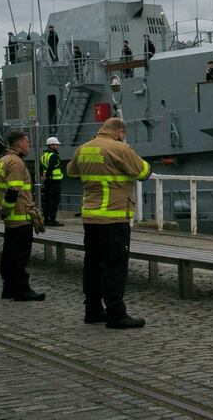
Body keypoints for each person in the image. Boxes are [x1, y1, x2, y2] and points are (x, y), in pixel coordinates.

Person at [66, 118, 151, 329]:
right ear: (120, 131)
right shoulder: (119, 148)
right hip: (113, 217)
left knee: (92, 266)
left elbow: (71, 172)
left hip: (90, 217)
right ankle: (116, 314)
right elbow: (143, 172)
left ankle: (92, 310)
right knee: (114, 267)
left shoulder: (83, 148)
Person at [0, 131, 46, 301]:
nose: (29, 145)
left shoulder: (1, 161)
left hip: (9, 218)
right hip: (20, 216)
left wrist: (1, 210)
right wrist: (7, 210)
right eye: (27, 142)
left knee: (8, 252)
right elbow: (13, 191)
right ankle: (21, 289)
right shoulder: (16, 163)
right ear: (19, 144)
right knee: (20, 255)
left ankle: (8, 288)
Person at [41, 136, 64, 226]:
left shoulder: (44, 155)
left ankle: (46, 219)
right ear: (51, 145)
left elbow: (41, 167)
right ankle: (53, 220)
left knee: (47, 200)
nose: (57, 146)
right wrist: (47, 175)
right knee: (54, 200)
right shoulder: (53, 155)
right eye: (56, 145)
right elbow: (51, 167)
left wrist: (44, 176)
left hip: (47, 181)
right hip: (54, 180)